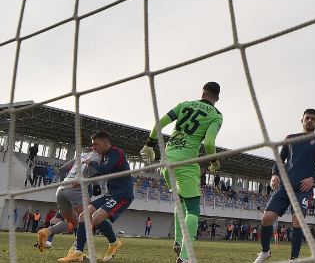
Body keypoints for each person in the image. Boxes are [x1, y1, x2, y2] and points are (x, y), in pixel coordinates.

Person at [140, 81, 223, 263]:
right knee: (193, 209)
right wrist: (214, 162)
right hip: (186, 161)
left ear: (202, 93)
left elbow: (159, 124)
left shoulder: (183, 105)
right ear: (217, 98)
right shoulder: (216, 115)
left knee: (180, 201)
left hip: (166, 158)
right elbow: (209, 143)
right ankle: (185, 258)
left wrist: (149, 145)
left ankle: (178, 239)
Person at [253, 108, 315, 263]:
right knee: (267, 217)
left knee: (297, 218)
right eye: (307, 118)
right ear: (302, 121)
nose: (309, 120)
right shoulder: (290, 139)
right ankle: (265, 251)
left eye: (313, 118)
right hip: (285, 187)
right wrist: (275, 175)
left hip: (304, 189)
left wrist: (313, 179)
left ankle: (293, 259)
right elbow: (279, 160)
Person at [58, 130, 134, 262]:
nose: (93, 148)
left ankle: (113, 243)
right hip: (110, 194)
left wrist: (90, 162)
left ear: (105, 142)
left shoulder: (116, 152)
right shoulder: (104, 156)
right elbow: (101, 174)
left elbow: (104, 170)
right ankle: (78, 253)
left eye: (95, 144)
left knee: (96, 218)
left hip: (122, 195)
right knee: (83, 216)